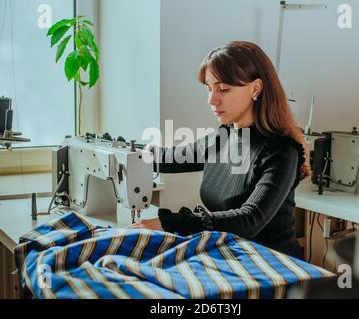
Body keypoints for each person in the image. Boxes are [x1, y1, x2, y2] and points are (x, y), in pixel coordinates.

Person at [130, 41, 310, 259]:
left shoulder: (281, 152)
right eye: (209, 88)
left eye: (223, 89)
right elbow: (168, 158)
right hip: (232, 254)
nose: (211, 99)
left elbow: (249, 220)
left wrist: (170, 222)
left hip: (273, 266)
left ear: (256, 88)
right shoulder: (224, 138)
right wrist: (131, 153)